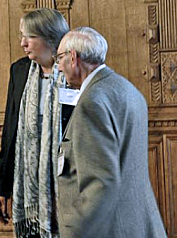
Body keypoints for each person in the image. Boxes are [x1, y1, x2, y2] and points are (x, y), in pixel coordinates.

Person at [55, 27, 167, 238]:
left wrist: (77, 231)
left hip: (110, 227)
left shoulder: (92, 102)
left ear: (73, 57)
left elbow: (101, 182)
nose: (59, 67)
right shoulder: (128, 89)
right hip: (138, 222)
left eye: (60, 58)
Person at [0, 9, 74, 238]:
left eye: (30, 37)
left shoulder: (74, 70)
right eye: (22, 36)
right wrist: (1, 188)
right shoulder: (19, 71)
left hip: (67, 181)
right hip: (27, 185)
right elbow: (10, 131)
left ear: (49, 38)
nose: (23, 43)